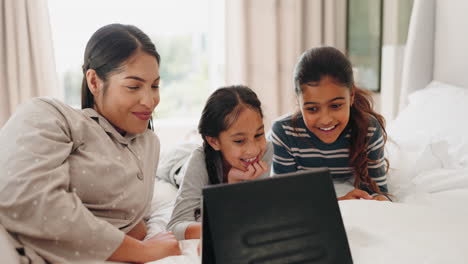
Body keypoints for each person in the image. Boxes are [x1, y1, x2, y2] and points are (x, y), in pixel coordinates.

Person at [0, 24, 181, 263]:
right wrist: (143, 251)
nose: (150, 101)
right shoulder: (49, 115)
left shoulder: (149, 144)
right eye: (133, 86)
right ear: (94, 81)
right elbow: (26, 199)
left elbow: (130, 221)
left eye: (155, 86)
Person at [270, 46, 391, 201]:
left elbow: (377, 191)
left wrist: (379, 200)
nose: (325, 119)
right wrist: (339, 201)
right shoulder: (284, 132)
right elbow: (282, 197)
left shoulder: (369, 129)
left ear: (351, 96)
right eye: (312, 109)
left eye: (335, 106)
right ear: (299, 102)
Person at [167, 85, 273, 241]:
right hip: (177, 164)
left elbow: (256, 215)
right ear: (213, 141)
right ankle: (190, 139)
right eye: (239, 140)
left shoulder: (267, 151)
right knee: (183, 151)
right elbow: (175, 227)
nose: (253, 149)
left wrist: (237, 185)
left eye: (258, 135)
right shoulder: (199, 160)